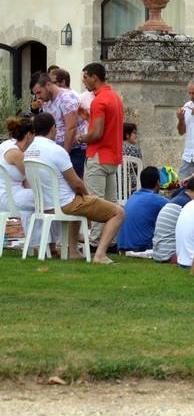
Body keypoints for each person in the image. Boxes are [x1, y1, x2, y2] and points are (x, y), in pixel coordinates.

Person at [23, 112, 124, 264]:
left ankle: (73, 251)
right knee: (118, 212)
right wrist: (87, 195)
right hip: (65, 205)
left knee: (77, 201)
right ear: (53, 128)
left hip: (44, 205)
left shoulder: (28, 152)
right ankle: (100, 254)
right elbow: (76, 182)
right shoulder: (56, 150)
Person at [76, 62, 124, 246]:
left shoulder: (99, 100)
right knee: (111, 202)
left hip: (98, 155)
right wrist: (87, 117)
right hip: (113, 155)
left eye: (85, 78)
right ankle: (109, 241)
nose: (84, 82)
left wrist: (80, 138)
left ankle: (96, 241)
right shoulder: (115, 97)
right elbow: (107, 126)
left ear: (94, 77)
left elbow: (96, 134)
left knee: (96, 203)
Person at [30, 71, 88, 178]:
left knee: (72, 189)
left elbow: (71, 127)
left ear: (48, 85)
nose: (38, 97)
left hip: (73, 150)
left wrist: (63, 155)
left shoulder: (66, 97)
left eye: (39, 92)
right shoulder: (46, 100)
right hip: (57, 148)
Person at [0, 116, 41, 250]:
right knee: (48, 200)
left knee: (39, 200)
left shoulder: (5, 145)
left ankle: (31, 242)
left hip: (6, 194)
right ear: (29, 135)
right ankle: (44, 243)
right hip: (9, 197)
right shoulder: (18, 154)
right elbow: (31, 180)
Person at [116, 167, 170, 253]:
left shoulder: (133, 196)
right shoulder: (156, 199)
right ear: (158, 182)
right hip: (141, 247)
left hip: (122, 246)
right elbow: (177, 207)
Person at [121, 122, 143, 197]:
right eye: (134, 133)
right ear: (127, 135)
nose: (136, 136)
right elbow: (140, 171)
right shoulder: (135, 150)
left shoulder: (116, 149)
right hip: (132, 189)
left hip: (118, 189)